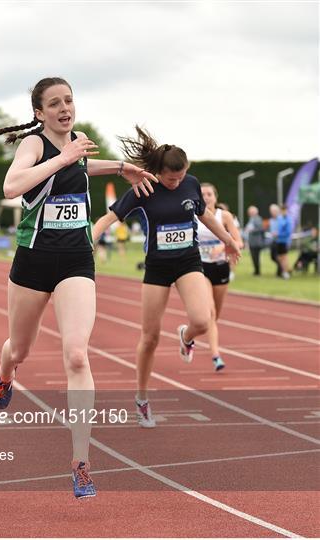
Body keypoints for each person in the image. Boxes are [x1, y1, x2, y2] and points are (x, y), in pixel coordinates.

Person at [0, 77, 157, 497]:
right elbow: (12, 186)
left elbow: (81, 166)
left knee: (75, 353)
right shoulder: (33, 145)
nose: (63, 108)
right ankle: (4, 374)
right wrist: (64, 155)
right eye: (54, 103)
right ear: (39, 113)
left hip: (75, 258)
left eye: (68, 100)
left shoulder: (81, 143)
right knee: (19, 349)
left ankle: (81, 462)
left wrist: (121, 167)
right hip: (33, 261)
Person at [92, 126, 240, 429]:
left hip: (188, 261)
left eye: (182, 176)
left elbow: (205, 215)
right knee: (149, 337)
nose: (178, 182)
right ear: (158, 173)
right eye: (172, 178)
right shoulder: (143, 189)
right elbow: (110, 217)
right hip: (157, 268)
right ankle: (142, 399)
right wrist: (90, 238)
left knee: (202, 320)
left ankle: (186, 337)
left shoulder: (191, 185)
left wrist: (228, 239)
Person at [197, 184, 242, 371]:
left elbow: (239, 241)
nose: (206, 197)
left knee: (215, 317)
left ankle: (198, 338)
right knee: (211, 312)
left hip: (221, 267)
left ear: (215, 197)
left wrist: (223, 247)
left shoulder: (224, 216)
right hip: (200, 267)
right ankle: (216, 355)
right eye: (202, 194)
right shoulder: (192, 214)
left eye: (209, 194)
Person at [245, 206, 264, 276]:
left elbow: (261, 229)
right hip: (252, 242)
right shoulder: (251, 219)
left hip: (257, 242)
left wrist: (252, 230)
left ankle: (257, 271)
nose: (250, 213)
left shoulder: (258, 219)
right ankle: (256, 271)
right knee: (253, 257)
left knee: (256, 257)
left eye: (251, 212)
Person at [276, 204, 292, 279]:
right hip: (279, 241)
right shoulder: (279, 218)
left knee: (284, 257)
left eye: (284, 210)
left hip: (284, 241)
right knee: (280, 257)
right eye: (282, 210)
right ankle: (286, 270)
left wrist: (278, 234)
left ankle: (286, 272)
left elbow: (288, 232)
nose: (283, 211)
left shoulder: (288, 219)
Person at [268, 204, 283, 277]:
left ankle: (280, 271)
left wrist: (278, 233)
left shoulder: (281, 219)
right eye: (271, 211)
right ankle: (281, 268)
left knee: (278, 256)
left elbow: (282, 229)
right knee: (272, 257)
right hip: (273, 240)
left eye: (274, 211)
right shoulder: (271, 220)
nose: (272, 212)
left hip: (279, 241)